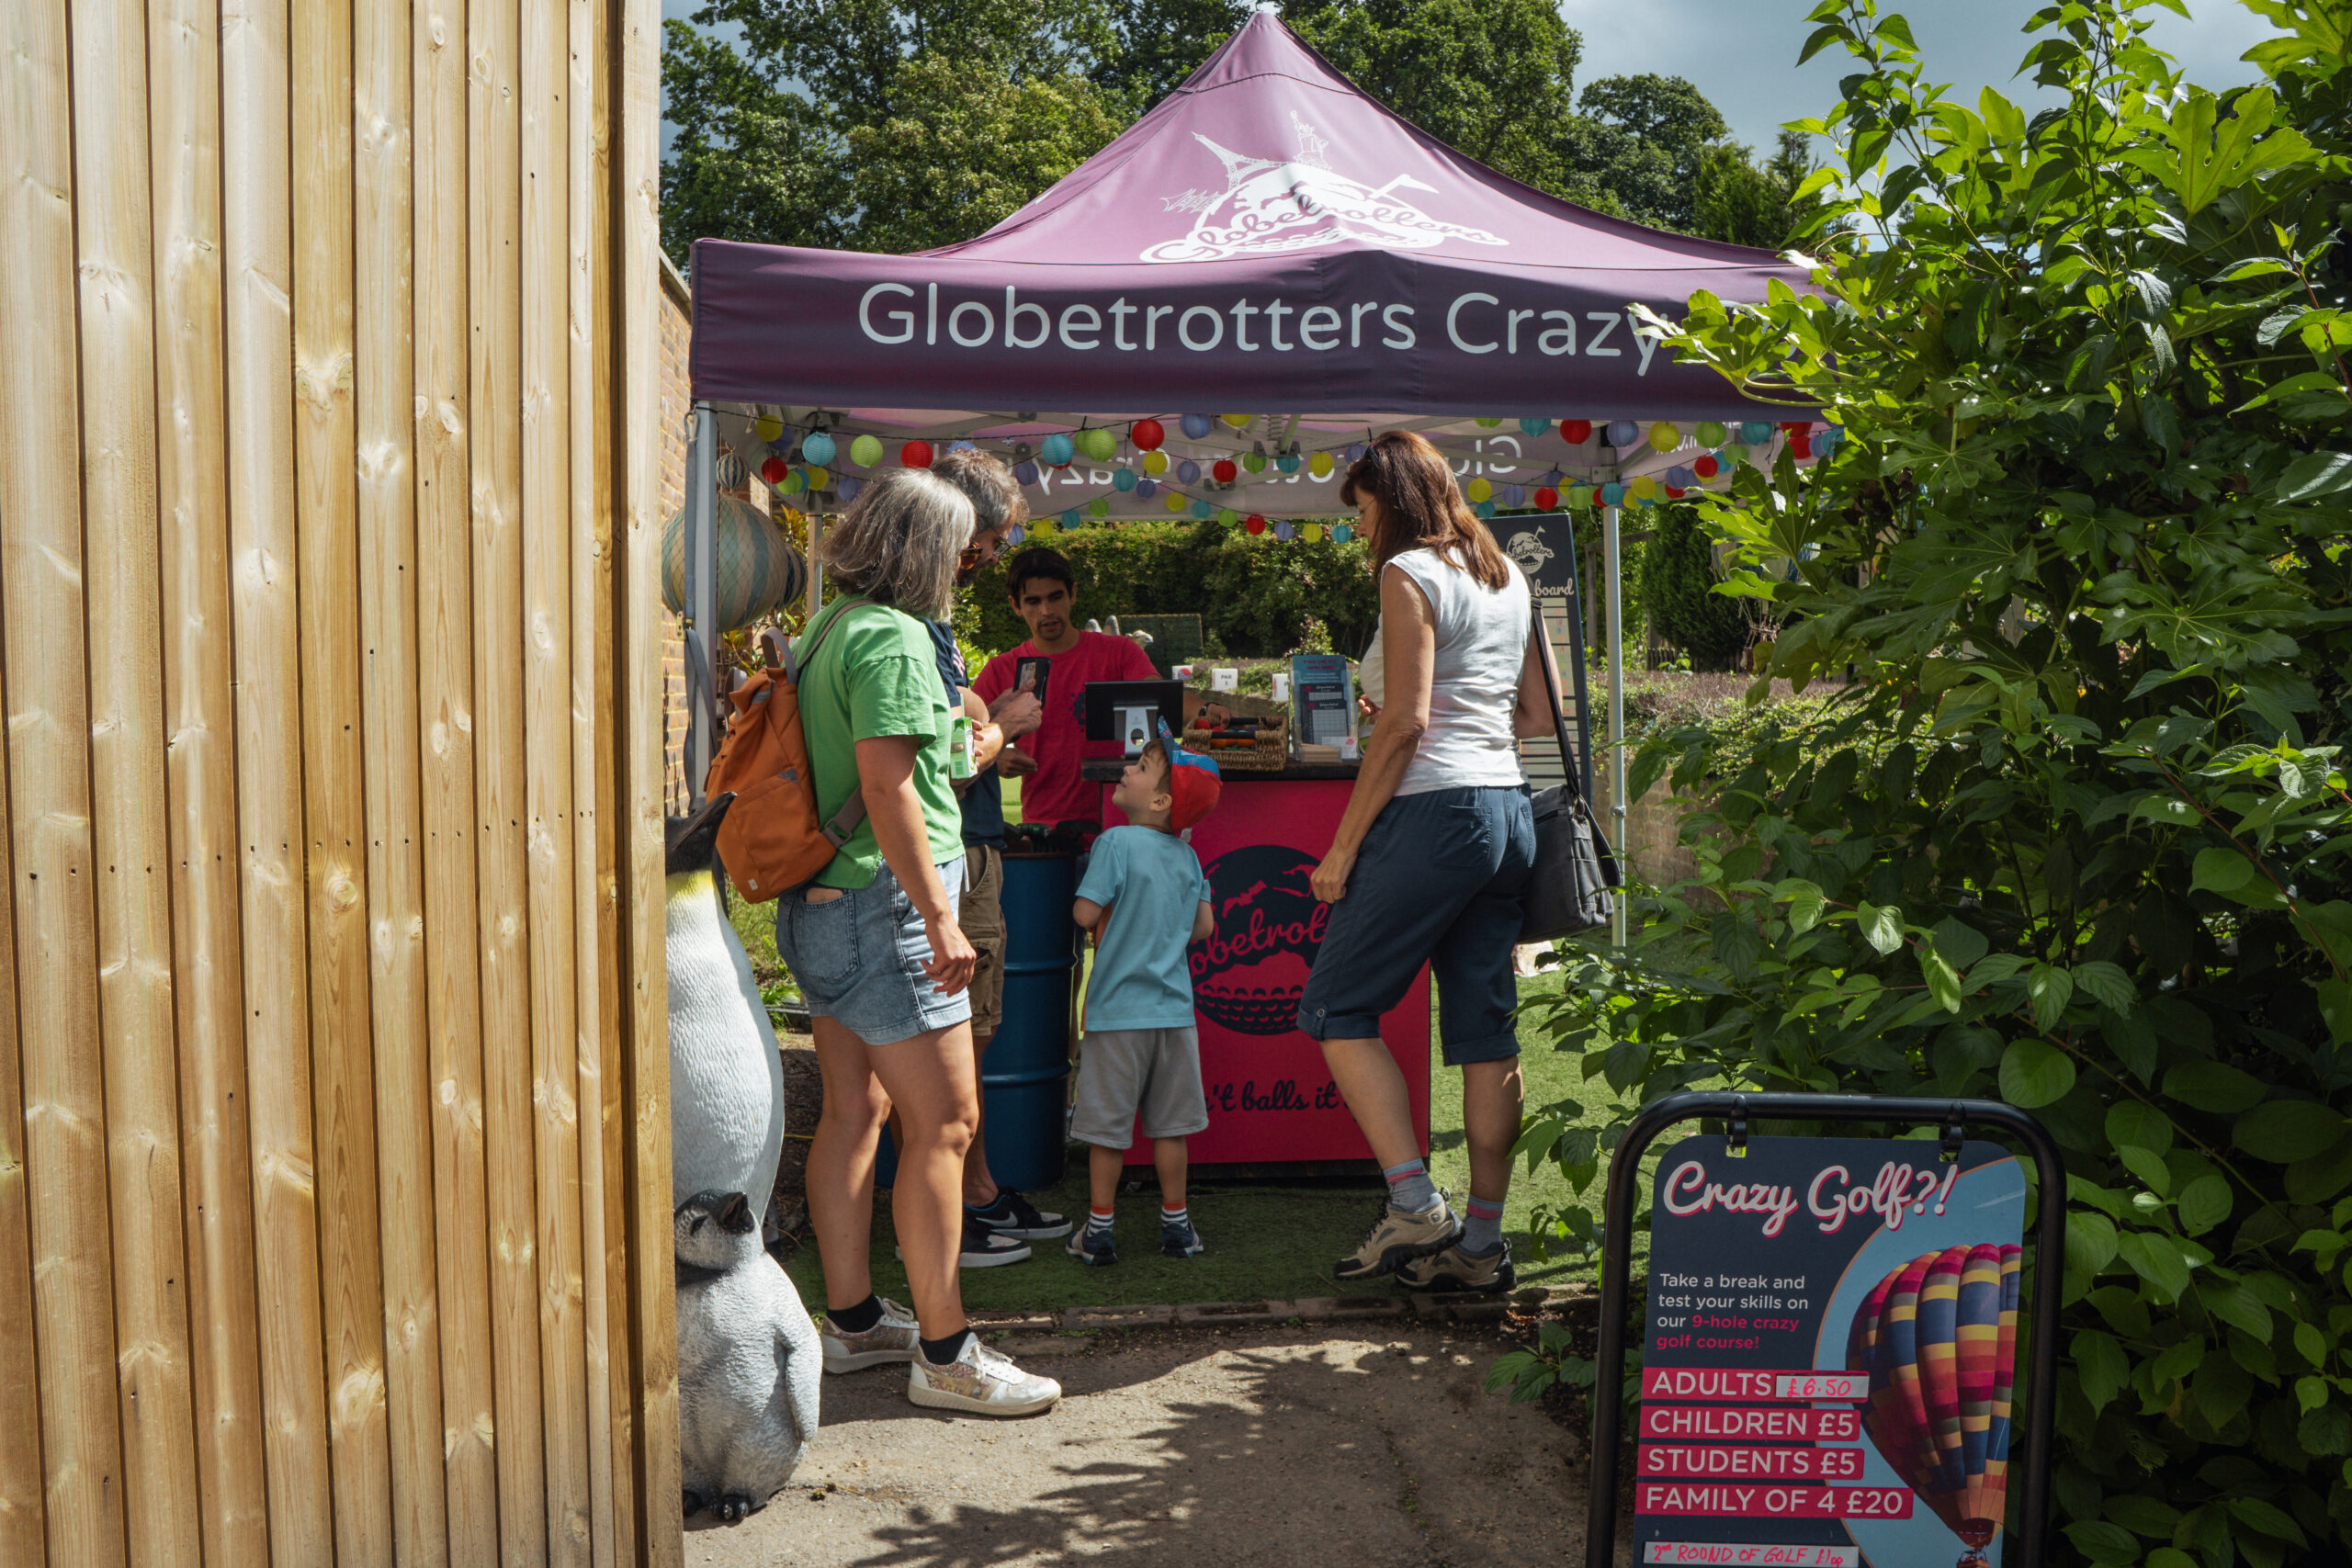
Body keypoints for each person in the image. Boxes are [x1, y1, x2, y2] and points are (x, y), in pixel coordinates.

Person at [778, 468, 1060, 1416]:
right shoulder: (896, 639)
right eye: (960, 550)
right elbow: (893, 786)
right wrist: (939, 919)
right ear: (925, 551)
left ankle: (853, 1323)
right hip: (895, 906)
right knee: (942, 1127)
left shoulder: (831, 628)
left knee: (853, 1118)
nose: (970, 567)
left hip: (825, 903)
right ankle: (945, 1353)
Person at [1296, 430, 1562, 1297]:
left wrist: (1342, 845)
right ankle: (1482, 1244)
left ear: (1396, 502)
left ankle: (1414, 1202)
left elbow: (1404, 725)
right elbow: (1532, 713)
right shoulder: (1507, 573)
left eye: (1364, 510)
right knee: (1488, 1034)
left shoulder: (1407, 571)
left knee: (1336, 1005)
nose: (1360, 528)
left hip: (1437, 812)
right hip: (1509, 808)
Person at [914, 448, 1070, 1265]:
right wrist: (1002, 721)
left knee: (976, 1029)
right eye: (992, 543)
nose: (991, 559)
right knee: (960, 1037)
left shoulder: (916, 611)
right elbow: (941, 756)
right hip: (952, 853)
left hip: (969, 846)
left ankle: (976, 1191)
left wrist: (982, 719)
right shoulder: (906, 618)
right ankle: (959, 1211)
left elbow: (949, 735)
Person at [1064, 724, 1221, 1266]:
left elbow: (1084, 912)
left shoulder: (1115, 842)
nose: (1126, 768)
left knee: (1108, 1131)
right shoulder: (1188, 857)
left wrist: (1103, 913)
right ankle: (1177, 1225)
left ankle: (1100, 1231)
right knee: (1170, 1128)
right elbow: (1203, 928)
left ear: (1158, 800)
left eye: (1141, 766)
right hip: (1174, 1015)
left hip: (1115, 1014)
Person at [972, 547, 1227, 834]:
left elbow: (1161, 699)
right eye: (1033, 601)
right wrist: (998, 754)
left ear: (1073, 594)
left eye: (1055, 596)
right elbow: (960, 741)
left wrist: (1207, 710)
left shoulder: (1119, 652)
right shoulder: (999, 670)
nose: (1046, 611)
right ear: (1015, 605)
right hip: (1047, 834)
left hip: (1128, 825)